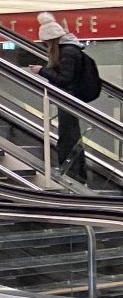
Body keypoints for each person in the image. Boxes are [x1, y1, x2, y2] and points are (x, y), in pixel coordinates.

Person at [35, 14, 95, 184]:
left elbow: (65, 79)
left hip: (68, 99)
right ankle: (77, 174)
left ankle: (72, 175)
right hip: (69, 98)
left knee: (68, 137)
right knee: (71, 137)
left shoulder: (67, 52)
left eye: (46, 43)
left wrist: (41, 71)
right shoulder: (70, 49)